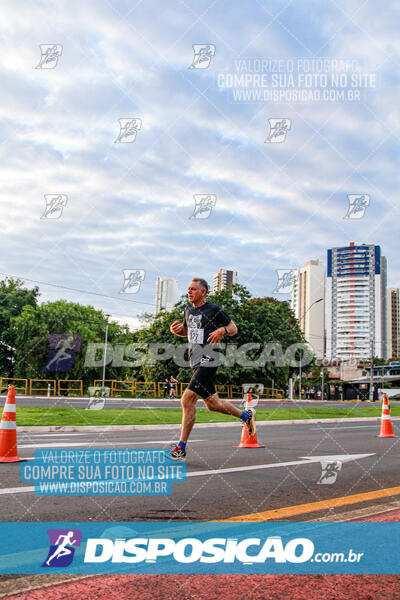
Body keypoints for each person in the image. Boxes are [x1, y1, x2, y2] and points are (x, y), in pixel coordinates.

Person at [169, 277, 255, 460]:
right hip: (195, 360)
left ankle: (181, 448)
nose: (189, 292)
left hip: (210, 358)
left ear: (203, 292)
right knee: (213, 405)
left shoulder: (214, 310)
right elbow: (187, 331)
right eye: (188, 289)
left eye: (193, 289)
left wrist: (222, 331)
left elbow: (233, 328)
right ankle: (246, 417)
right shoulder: (188, 309)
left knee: (187, 400)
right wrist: (177, 331)